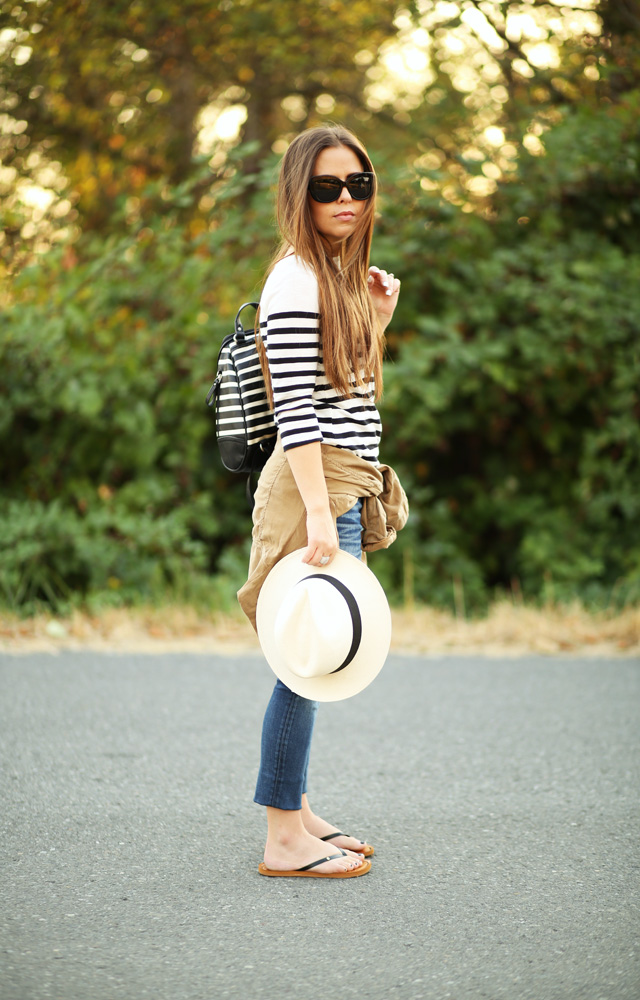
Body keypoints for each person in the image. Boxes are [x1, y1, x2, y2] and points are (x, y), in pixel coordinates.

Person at [237, 124, 406, 878]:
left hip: (338, 481)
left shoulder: (333, 275)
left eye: (358, 184)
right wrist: (315, 513)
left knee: (311, 657)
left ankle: (296, 813)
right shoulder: (297, 277)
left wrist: (374, 323)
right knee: (303, 660)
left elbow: (348, 390)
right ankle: (283, 841)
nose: (346, 199)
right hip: (316, 486)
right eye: (328, 187)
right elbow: (299, 410)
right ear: (299, 194)